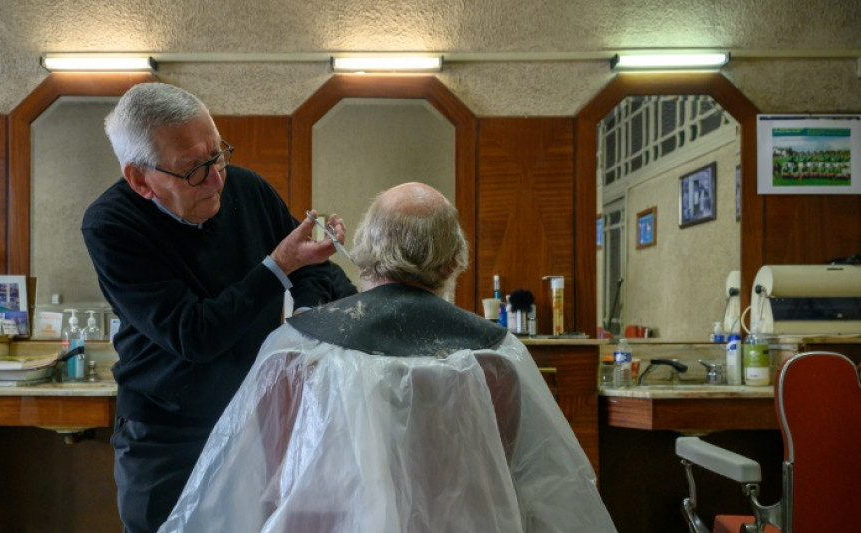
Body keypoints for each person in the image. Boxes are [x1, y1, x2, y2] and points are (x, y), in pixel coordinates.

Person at [159, 182, 617, 532]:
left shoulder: (297, 350)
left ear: (362, 250)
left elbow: (270, 486)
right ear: (456, 258)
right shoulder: (494, 357)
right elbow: (521, 483)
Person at [80, 82, 342, 533]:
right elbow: (194, 334)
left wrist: (306, 317)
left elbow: (313, 272)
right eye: (194, 170)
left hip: (255, 419)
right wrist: (277, 265)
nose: (217, 177)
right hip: (166, 431)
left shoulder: (248, 189)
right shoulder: (112, 225)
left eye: (218, 153)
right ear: (141, 179)